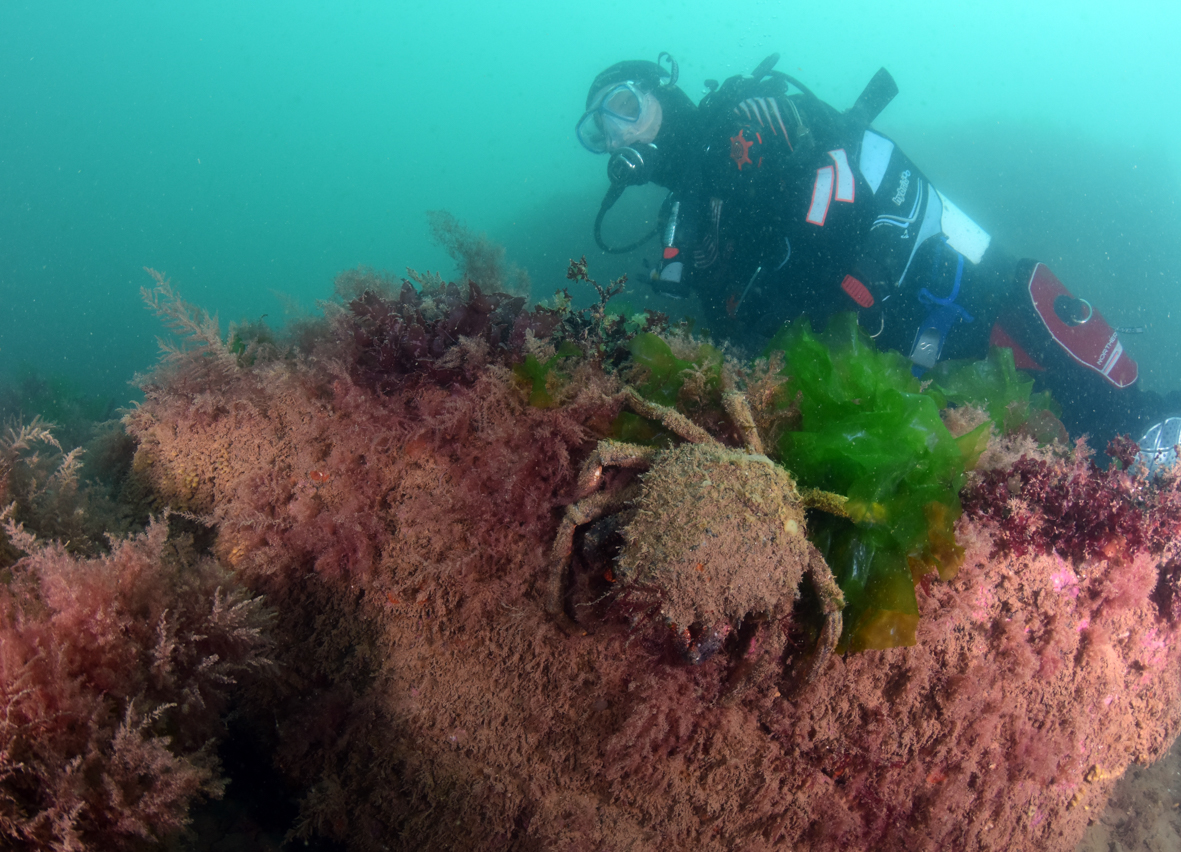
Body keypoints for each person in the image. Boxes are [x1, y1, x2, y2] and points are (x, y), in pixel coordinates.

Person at [575, 53, 1181, 468]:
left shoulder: (749, 115)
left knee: (1083, 384)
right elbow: (732, 320)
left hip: (924, 268)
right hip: (879, 346)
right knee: (1032, 427)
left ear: (661, 90)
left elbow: (863, 160)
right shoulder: (685, 216)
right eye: (599, 131)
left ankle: (1150, 424)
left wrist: (859, 273)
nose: (618, 133)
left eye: (625, 105)